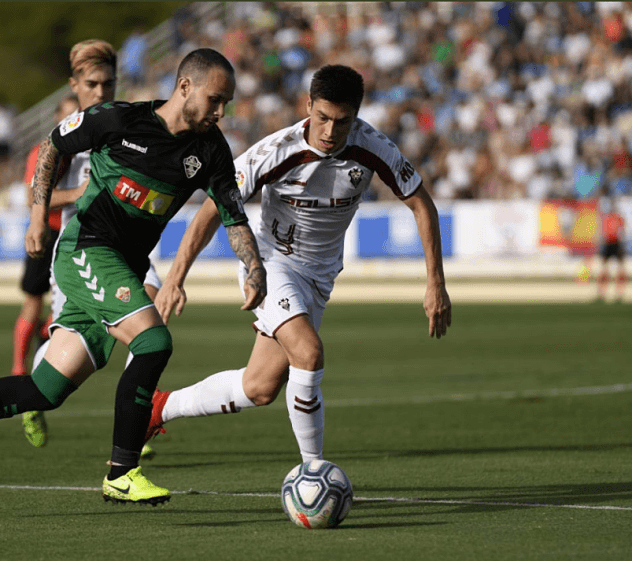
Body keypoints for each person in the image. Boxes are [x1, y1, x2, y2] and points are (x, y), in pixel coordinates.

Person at [0, 48, 267, 506]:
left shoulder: (210, 149)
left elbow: (232, 214)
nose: (220, 111)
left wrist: (254, 266)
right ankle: (122, 472)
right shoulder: (119, 120)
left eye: (226, 102)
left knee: (43, 391)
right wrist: (35, 217)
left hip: (120, 267)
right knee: (154, 342)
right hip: (84, 251)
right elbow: (52, 145)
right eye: (215, 99)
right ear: (184, 86)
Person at [147, 65, 452, 463]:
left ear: (356, 118)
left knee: (259, 387)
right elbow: (212, 208)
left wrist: (435, 284)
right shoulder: (276, 150)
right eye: (322, 117)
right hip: (271, 264)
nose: (328, 131)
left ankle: (157, 409)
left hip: (320, 277)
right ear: (308, 105)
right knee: (308, 354)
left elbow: (421, 203)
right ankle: (314, 472)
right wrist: (175, 278)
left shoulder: (373, 147)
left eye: (341, 122)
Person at [12, 40, 163, 449]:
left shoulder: (126, 123)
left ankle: (139, 414)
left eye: (108, 84)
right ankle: (31, 387)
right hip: (80, 245)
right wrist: (55, 210)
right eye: (93, 84)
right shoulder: (67, 136)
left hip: (127, 243)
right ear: (75, 85)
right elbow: (36, 190)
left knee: (153, 308)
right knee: (73, 341)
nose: (101, 92)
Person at [596, 198, 626, 301]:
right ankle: (601, 292)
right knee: (604, 269)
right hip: (609, 243)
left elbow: (622, 232)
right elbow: (603, 233)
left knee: (620, 270)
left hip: (616, 243)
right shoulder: (607, 219)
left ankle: (619, 292)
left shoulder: (619, 219)